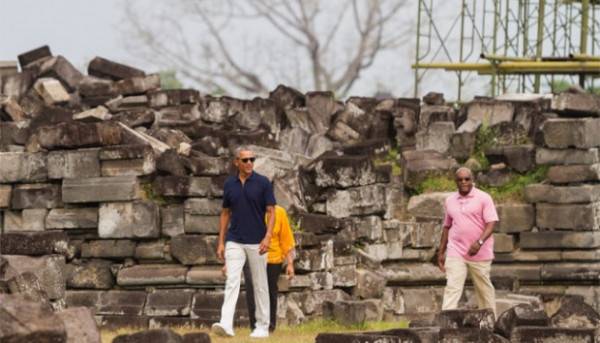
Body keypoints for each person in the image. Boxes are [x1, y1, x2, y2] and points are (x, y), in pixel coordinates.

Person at [212, 146, 276, 338]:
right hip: (235, 240)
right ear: (236, 163)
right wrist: (221, 242)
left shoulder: (263, 183)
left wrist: (267, 237)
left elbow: (271, 211)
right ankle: (226, 324)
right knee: (232, 280)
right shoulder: (229, 184)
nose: (249, 163)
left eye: (252, 160)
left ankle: (262, 326)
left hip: (257, 241)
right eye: (245, 160)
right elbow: (225, 213)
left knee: (260, 283)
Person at [437, 167, 499, 318]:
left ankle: (491, 323)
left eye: (467, 179)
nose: (464, 182)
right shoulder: (450, 200)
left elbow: (491, 223)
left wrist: (479, 242)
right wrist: (441, 252)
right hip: (456, 251)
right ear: (456, 182)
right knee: (452, 287)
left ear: (472, 180)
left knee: (484, 290)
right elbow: (447, 226)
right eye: (460, 179)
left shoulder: (484, 198)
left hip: (480, 253)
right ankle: (446, 323)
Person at [243, 205, 295, 332]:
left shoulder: (279, 212)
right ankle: (255, 326)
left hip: (273, 259)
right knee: (252, 289)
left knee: (270, 290)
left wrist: (290, 263)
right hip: (252, 256)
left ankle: (269, 327)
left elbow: (285, 239)